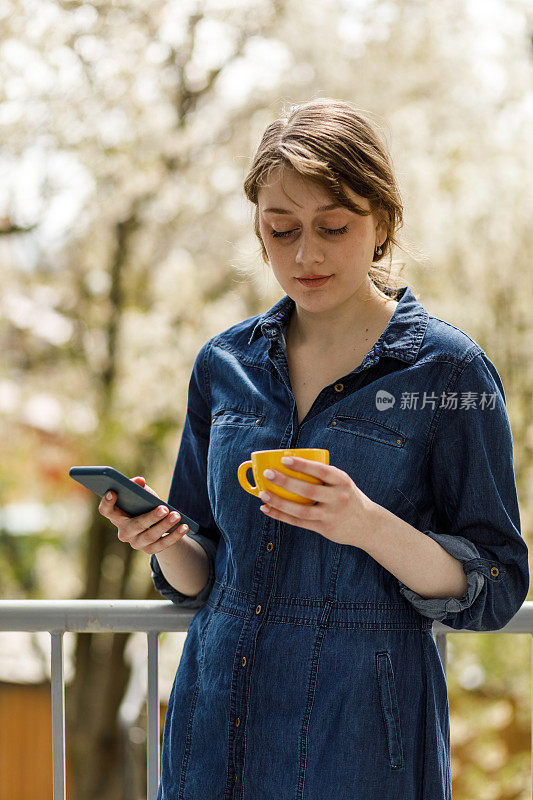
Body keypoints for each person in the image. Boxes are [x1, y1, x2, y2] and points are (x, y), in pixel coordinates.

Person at [98, 98, 529, 799]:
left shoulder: (446, 372)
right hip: (215, 723)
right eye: (281, 229)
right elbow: (200, 575)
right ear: (258, 232)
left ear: (381, 223)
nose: (306, 254)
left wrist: (365, 524)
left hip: (359, 738)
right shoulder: (223, 364)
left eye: (333, 227)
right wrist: (162, 538)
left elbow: (497, 586)